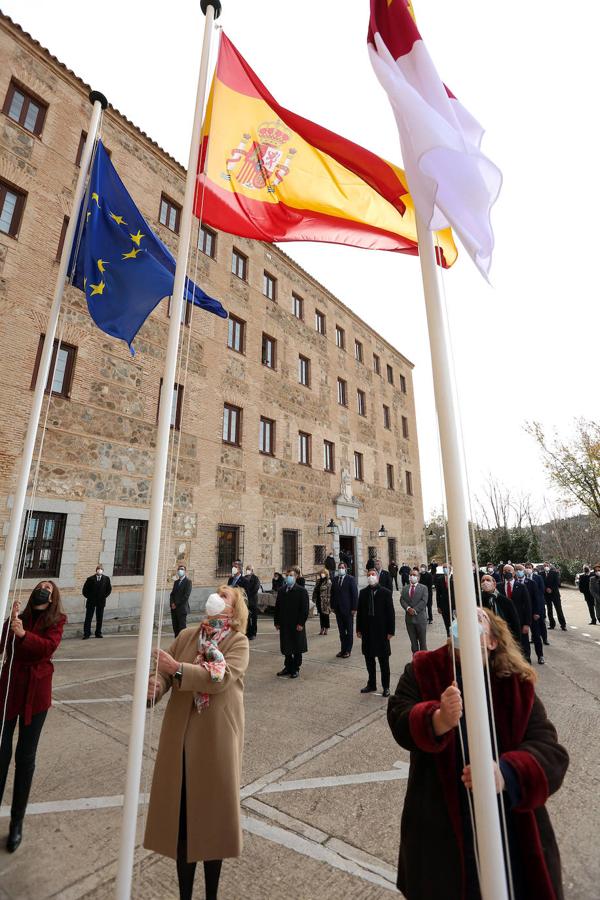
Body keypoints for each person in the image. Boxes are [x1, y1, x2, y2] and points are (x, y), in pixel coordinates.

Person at [387, 608, 569, 900]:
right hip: (440, 826)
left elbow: (550, 751)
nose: (468, 619)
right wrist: (437, 719)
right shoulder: (423, 669)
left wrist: (506, 773)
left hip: (508, 826)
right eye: (461, 615)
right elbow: (399, 716)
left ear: (493, 641)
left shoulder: (516, 685)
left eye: (480, 617)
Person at [144, 585, 249, 900]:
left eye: (225, 595)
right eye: (217, 592)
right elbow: (163, 673)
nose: (217, 596)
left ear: (233, 610)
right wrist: (156, 685)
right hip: (180, 741)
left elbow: (220, 678)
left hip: (216, 742)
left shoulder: (238, 642)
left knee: (212, 823)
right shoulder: (187, 636)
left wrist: (176, 669)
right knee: (183, 826)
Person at [0, 581, 66, 853]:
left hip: (36, 693)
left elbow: (47, 648)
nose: (43, 589)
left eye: (48, 588)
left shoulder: (57, 620)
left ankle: (17, 821)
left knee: (25, 758)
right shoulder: (20, 616)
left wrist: (24, 635)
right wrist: (10, 624)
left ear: (52, 598)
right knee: (1, 753)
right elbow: (3, 647)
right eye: (41, 585)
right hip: (9, 688)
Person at [356, 569, 395, 696]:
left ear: (377, 577)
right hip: (367, 632)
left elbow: (390, 613)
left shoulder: (385, 593)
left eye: (373, 575)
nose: (370, 577)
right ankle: (371, 684)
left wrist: (391, 631)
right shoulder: (363, 593)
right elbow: (360, 613)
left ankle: (386, 686)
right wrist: (358, 629)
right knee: (369, 660)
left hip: (382, 632)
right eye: (368, 575)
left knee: (384, 662)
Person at [274, 566, 309, 678]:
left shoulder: (301, 591)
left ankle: (295, 668)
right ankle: (288, 667)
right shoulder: (281, 590)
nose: (289, 577)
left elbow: (304, 609)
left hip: (296, 624)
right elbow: (277, 607)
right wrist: (277, 622)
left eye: (291, 575)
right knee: (286, 646)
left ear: (296, 577)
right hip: (285, 623)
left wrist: (301, 623)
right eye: (287, 575)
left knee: (297, 646)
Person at [498, 565, 532, 661]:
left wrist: (527, 624)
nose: (507, 572)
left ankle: (526, 662)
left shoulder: (521, 586)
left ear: (513, 573)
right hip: (504, 622)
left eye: (509, 570)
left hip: (520, 621)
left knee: (523, 644)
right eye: (505, 571)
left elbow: (527, 606)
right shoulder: (499, 586)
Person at [480, 573, 521, 646]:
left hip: (504, 636)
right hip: (486, 638)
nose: (485, 582)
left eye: (488, 580)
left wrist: (516, 641)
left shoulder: (505, 601)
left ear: (494, 583)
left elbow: (515, 622)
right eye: (483, 581)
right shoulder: (478, 601)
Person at [330, 559, 359, 658]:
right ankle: (343, 649)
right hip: (338, 610)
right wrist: (332, 606)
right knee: (341, 631)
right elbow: (332, 594)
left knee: (349, 631)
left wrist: (354, 608)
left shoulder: (350, 579)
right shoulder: (335, 580)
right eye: (339, 568)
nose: (341, 569)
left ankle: (348, 650)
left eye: (342, 568)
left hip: (348, 610)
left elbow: (354, 595)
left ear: (346, 569)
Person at [522, 564, 547, 664]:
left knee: (536, 635)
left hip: (533, 613)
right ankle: (526, 658)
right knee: (524, 638)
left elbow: (537, 597)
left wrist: (537, 612)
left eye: (529, 568)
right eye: (526, 568)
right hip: (522, 614)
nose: (527, 569)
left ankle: (540, 656)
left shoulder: (532, 582)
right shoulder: (517, 583)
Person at [400, 568, 428, 653]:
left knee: (423, 643)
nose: (412, 576)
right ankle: (415, 659)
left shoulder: (423, 588)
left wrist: (414, 610)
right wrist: (408, 608)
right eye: (411, 575)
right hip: (409, 620)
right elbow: (402, 600)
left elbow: (424, 601)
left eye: (414, 575)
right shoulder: (405, 588)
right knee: (414, 644)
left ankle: (424, 659)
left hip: (420, 619)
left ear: (418, 577)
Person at [81, 564, 112, 639]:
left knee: (99, 618)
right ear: (96, 570)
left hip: (101, 601)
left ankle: (98, 633)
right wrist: (90, 597)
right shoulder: (90, 579)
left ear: (103, 570)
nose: (99, 570)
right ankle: (86, 634)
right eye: (98, 569)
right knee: (88, 618)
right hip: (91, 601)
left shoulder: (106, 579)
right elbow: (84, 590)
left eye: (101, 569)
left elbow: (109, 589)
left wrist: (104, 596)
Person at [542, 563, 566, 631]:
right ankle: (552, 624)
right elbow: (541, 583)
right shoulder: (541, 574)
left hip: (555, 594)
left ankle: (563, 625)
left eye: (547, 565)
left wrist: (551, 589)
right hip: (547, 595)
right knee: (549, 610)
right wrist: (546, 589)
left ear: (549, 566)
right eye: (544, 566)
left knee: (559, 609)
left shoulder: (555, 573)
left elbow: (557, 583)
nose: (546, 567)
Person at [170, 564, 192, 637]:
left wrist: (176, 604)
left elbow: (186, 596)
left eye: (182, 569)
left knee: (182, 629)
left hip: (182, 609)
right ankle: (176, 641)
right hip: (174, 609)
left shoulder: (188, 582)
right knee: (175, 628)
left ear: (185, 571)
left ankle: (182, 642)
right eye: (179, 569)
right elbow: (172, 594)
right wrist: (172, 603)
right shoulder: (176, 582)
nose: (180, 570)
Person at [239, 564, 260, 640]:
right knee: (246, 618)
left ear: (252, 570)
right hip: (245, 601)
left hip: (253, 601)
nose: (248, 570)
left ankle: (253, 633)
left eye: (249, 569)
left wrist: (247, 594)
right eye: (247, 569)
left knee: (253, 618)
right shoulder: (244, 578)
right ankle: (247, 632)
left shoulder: (256, 578)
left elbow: (255, 589)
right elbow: (241, 588)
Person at [434, 563, 455, 637]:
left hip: (453, 606)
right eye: (444, 567)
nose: (445, 569)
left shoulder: (455, 578)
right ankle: (449, 637)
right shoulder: (439, 579)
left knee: (454, 623)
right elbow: (438, 594)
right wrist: (438, 606)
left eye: (446, 567)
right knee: (447, 624)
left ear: (450, 569)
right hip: (444, 606)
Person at [312, 569, 332, 635]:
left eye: (323, 573)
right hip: (319, 600)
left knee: (325, 615)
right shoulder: (318, 581)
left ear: (326, 574)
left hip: (325, 601)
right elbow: (315, 590)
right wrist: (313, 598)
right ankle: (322, 628)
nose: (321, 574)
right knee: (321, 615)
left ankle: (326, 628)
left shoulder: (328, 582)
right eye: (321, 573)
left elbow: (329, 592)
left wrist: (329, 601)